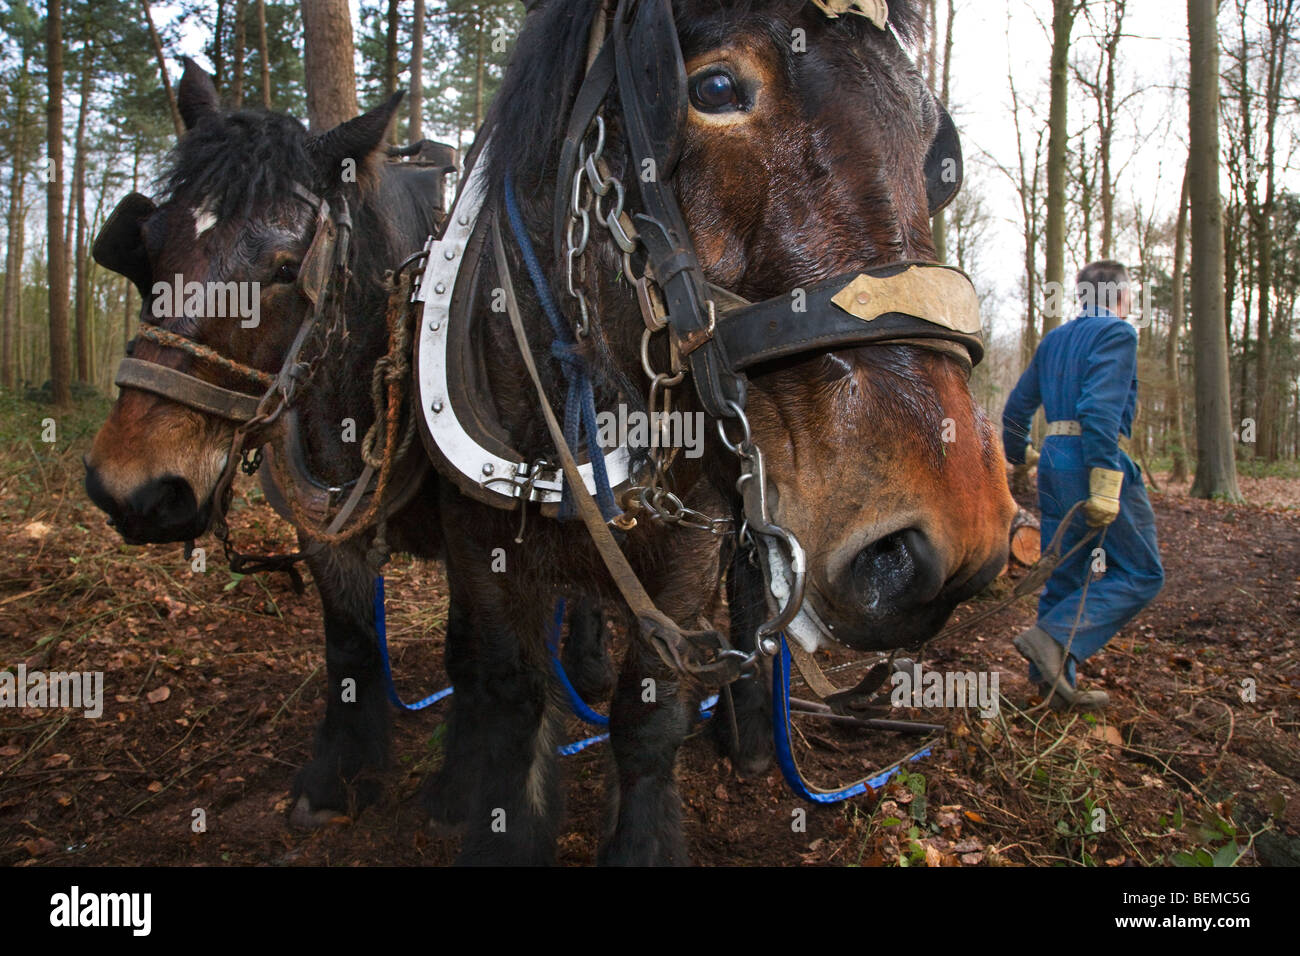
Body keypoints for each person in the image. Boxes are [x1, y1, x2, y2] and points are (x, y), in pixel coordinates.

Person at [1001, 260, 1165, 710]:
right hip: (1095, 460)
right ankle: (1052, 638)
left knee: (1066, 569)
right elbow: (1099, 411)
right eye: (1130, 298)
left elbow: (1016, 410)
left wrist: (1024, 454)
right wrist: (1105, 480)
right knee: (1142, 573)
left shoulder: (1054, 339)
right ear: (1119, 297)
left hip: (1054, 463)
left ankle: (1052, 688)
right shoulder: (1117, 333)